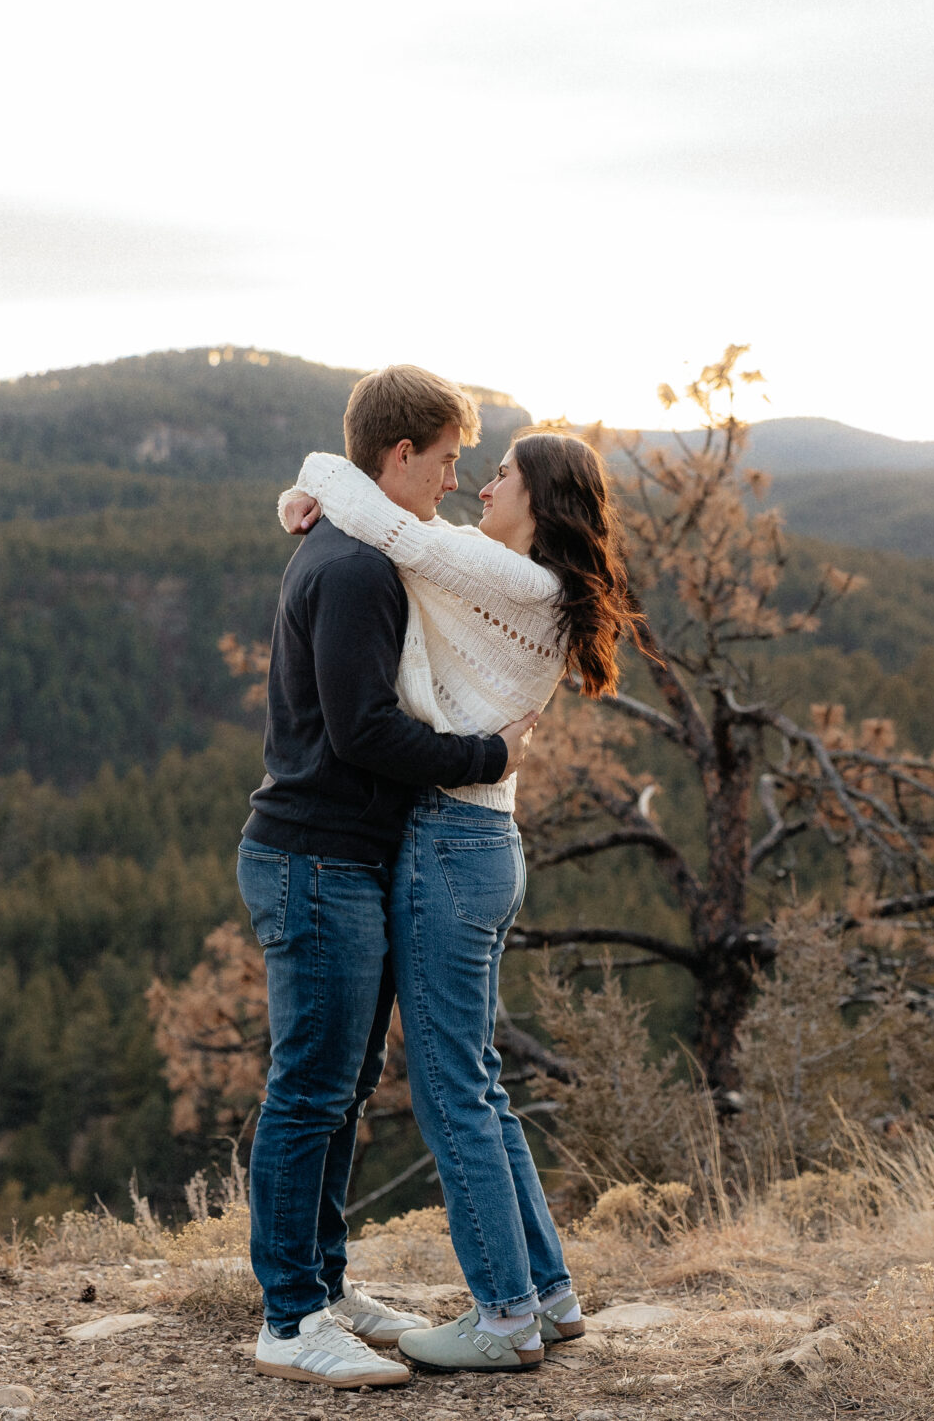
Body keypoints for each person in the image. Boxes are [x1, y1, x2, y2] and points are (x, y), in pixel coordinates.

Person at [276, 422, 644, 1374]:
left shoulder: (519, 581)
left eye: (502, 474)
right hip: (479, 840)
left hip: (449, 838)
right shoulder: (522, 578)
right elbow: (394, 531)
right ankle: (548, 1297)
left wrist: (311, 480)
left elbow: (392, 529)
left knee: (449, 1094)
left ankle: (502, 1316)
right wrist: (308, 505)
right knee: (475, 1079)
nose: (481, 485)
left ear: (544, 497)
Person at [240, 365, 543, 1390]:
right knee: (311, 1089)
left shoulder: (358, 547)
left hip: (341, 860)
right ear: (399, 456)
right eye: (449, 460)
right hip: (312, 856)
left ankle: (321, 1288)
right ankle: (288, 1319)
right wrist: (485, 758)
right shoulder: (354, 570)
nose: (456, 482)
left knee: (340, 1088)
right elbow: (363, 731)